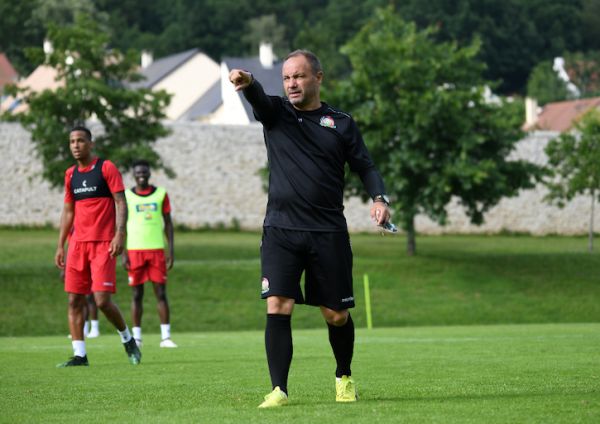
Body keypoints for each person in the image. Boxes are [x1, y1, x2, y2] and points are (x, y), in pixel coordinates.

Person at [229, 50, 392, 408]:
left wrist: (379, 199)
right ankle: (279, 390)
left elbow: (366, 166)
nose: (292, 84)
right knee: (278, 303)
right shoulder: (276, 114)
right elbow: (259, 99)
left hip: (328, 232)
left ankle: (344, 376)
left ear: (318, 77)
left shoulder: (342, 123)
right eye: (287, 78)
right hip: (281, 230)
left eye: (299, 77)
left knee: (336, 314)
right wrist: (250, 83)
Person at [54, 126, 141, 367]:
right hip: (77, 246)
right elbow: (68, 211)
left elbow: (121, 203)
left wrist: (119, 234)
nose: (75, 145)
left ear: (90, 144)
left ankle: (127, 338)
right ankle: (80, 355)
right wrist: (60, 245)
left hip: (103, 244)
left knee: (101, 301)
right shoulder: (70, 174)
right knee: (74, 300)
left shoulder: (106, 168)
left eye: (80, 140)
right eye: (72, 141)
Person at [122, 159, 176, 348]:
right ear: (134, 174)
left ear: (149, 173)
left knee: (161, 293)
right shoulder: (127, 196)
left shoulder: (161, 194)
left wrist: (171, 250)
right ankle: (137, 337)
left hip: (156, 251)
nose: (141, 175)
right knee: (137, 294)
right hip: (134, 250)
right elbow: (121, 225)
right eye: (138, 172)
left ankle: (166, 337)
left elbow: (168, 224)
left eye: (144, 171)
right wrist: (122, 252)